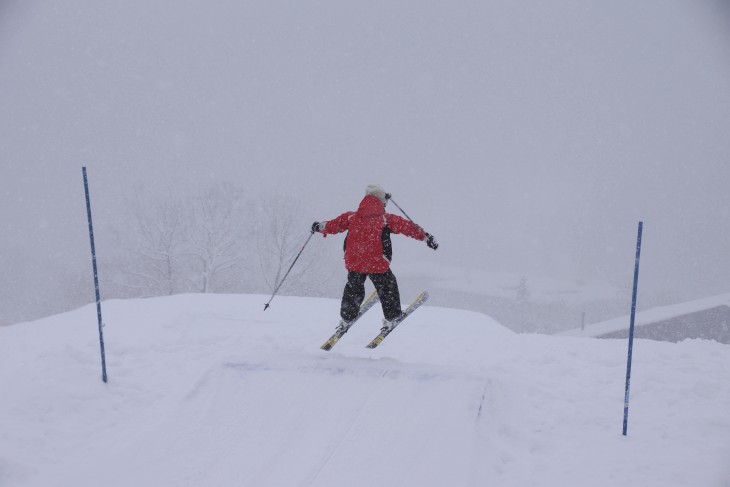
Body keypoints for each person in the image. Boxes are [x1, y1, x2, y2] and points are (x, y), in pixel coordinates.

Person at [312, 184, 438, 335]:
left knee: (353, 289)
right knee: (387, 288)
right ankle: (392, 317)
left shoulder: (351, 217)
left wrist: (319, 227)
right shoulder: (386, 219)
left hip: (355, 261)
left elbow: (333, 225)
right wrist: (426, 237)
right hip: (377, 262)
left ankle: (346, 319)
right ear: (381, 202)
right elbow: (408, 227)